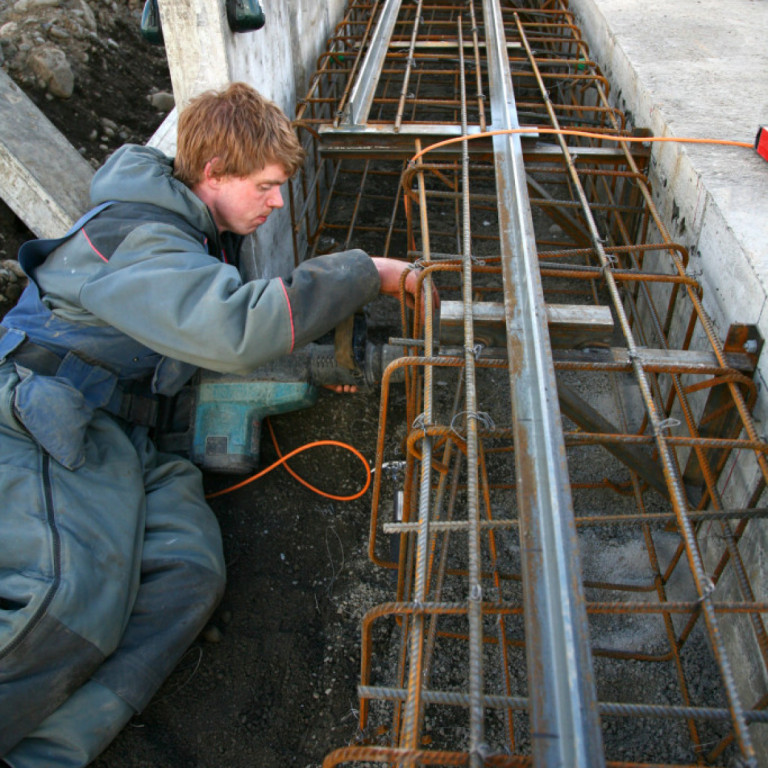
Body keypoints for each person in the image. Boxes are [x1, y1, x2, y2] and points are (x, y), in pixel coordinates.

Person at [0, 82, 424, 767]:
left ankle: (44, 753)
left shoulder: (199, 236)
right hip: (41, 421)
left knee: (187, 574)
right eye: (266, 185)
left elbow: (208, 334)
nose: (277, 202)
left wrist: (312, 365)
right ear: (213, 175)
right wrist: (366, 273)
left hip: (126, 432)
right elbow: (231, 329)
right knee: (67, 600)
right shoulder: (138, 237)